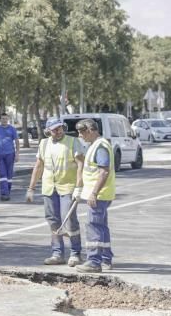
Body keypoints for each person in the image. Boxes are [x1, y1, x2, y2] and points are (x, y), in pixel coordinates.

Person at [25, 116, 85, 267]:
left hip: (68, 188)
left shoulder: (72, 142)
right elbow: (38, 167)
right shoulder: (44, 144)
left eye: (60, 128)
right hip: (49, 188)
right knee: (53, 221)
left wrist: (79, 187)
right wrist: (31, 188)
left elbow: (81, 165)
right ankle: (57, 254)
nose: (58, 131)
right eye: (54, 129)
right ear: (48, 131)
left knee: (69, 220)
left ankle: (76, 253)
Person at [75, 118, 116, 273]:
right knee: (102, 227)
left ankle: (94, 261)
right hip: (102, 194)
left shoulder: (100, 146)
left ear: (91, 130)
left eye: (82, 132)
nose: (80, 136)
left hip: (99, 195)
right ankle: (106, 259)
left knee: (94, 227)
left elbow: (103, 171)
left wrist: (94, 193)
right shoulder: (96, 146)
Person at [0, 113, 19, 201]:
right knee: (3, 175)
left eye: (6, 119)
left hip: (10, 154)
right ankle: (4, 193)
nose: (4, 120)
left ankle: (7, 192)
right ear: (0, 119)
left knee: (9, 175)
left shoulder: (12, 129)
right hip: (0, 155)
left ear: (8, 119)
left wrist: (17, 154)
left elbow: (17, 141)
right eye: (3, 119)